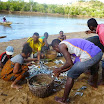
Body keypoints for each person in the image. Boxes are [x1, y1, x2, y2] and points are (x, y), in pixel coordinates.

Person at [51, 38, 102, 104]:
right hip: (98, 53)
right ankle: (94, 85)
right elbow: (72, 65)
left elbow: (68, 63)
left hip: (90, 55)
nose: (57, 51)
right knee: (93, 68)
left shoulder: (61, 45)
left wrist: (59, 69)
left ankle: (63, 100)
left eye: (55, 50)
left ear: (55, 46)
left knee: (70, 75)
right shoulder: (70, 46)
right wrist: (60, 71)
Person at [85, 18, 104, 84]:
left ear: (91, 26)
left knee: (103, 63)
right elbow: (98, 32)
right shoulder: (101, 26)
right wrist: (91, 32)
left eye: (89, 27)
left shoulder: (102, 33)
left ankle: (103, 81)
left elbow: (101, 34)